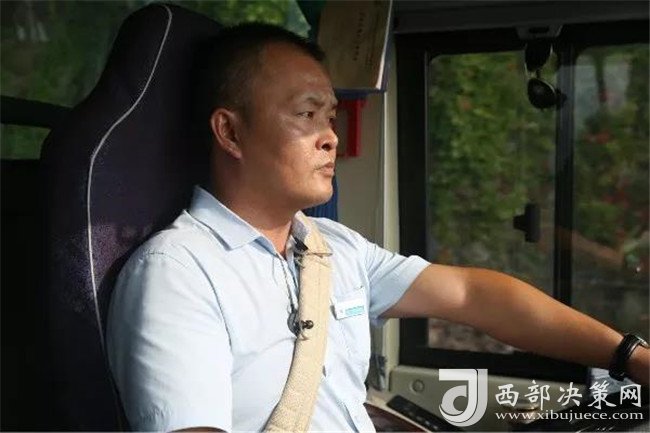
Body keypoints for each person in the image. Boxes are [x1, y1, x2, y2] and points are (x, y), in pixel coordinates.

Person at [106, 23, 650, 432]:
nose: (329, 137)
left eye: (330, 117)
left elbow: (472, 295)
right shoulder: (179, 273)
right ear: (230, 132)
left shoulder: (330, 249)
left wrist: (630, 357)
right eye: (306, 114)